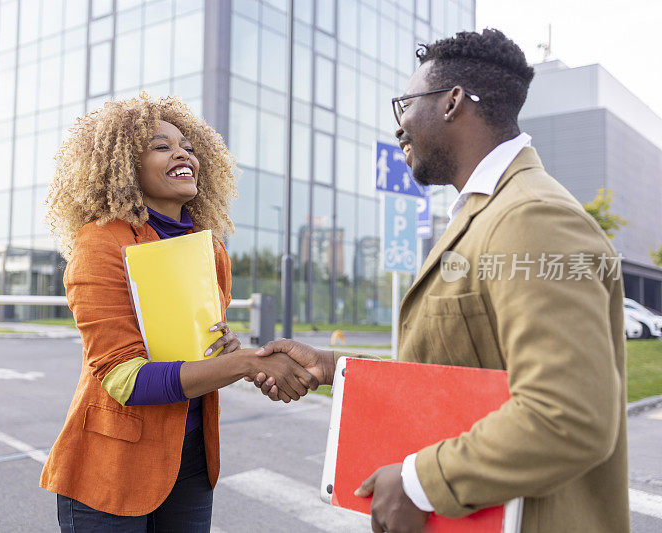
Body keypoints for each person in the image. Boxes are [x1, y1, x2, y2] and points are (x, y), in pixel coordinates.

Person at [253, 29, 629, 533]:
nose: (399, 127)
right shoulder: (485, 212)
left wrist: (420, 481)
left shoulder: (532, 216)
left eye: (404, 105)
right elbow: (455, 368)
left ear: (452, 103)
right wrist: (332, 368)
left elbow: (569, 415)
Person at [40, 93, 318, 532]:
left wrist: (228, 350)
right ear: (124, 165)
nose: (182, 153)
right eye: (161, 145)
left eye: (188, 146)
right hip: (111, 467)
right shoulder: (101, 243)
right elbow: (123, 379)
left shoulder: (211, 249)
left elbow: (199, 346)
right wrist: (245, 363)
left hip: (190, 461)